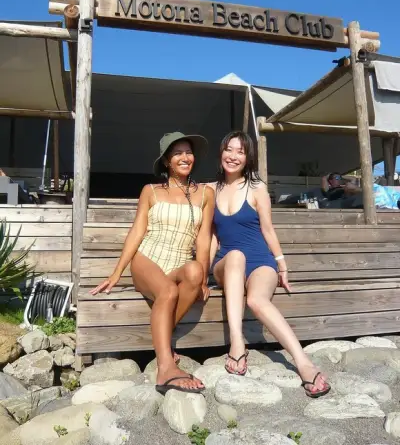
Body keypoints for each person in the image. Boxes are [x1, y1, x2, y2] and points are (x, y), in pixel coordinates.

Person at [91, 132, 215, 394]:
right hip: (147, 260)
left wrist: (203, 279)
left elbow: (204, 239)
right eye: (177, 153)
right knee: (168, 291)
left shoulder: (206, 193)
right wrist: (116, 273)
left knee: (194, 271)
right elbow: (137, 231)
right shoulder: (151, 191)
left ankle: (162, 340)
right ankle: (165, 367)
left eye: (188, 152)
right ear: (167, 161)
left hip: (179, 262)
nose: (185, 157)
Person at [211, 131, 331, 398]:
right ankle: (237, 343)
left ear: (248, 158)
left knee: (257, 300)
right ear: (221, 152)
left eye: (240, 151)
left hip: (259, 260)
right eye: (229, 149)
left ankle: (303, 362)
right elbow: (210, 236)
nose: (233, 156)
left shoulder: (257, 189)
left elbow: (268, 230)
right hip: (227, 262)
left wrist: (282, 266)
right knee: (236, 256)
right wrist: (200, 274)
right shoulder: (210, 190)